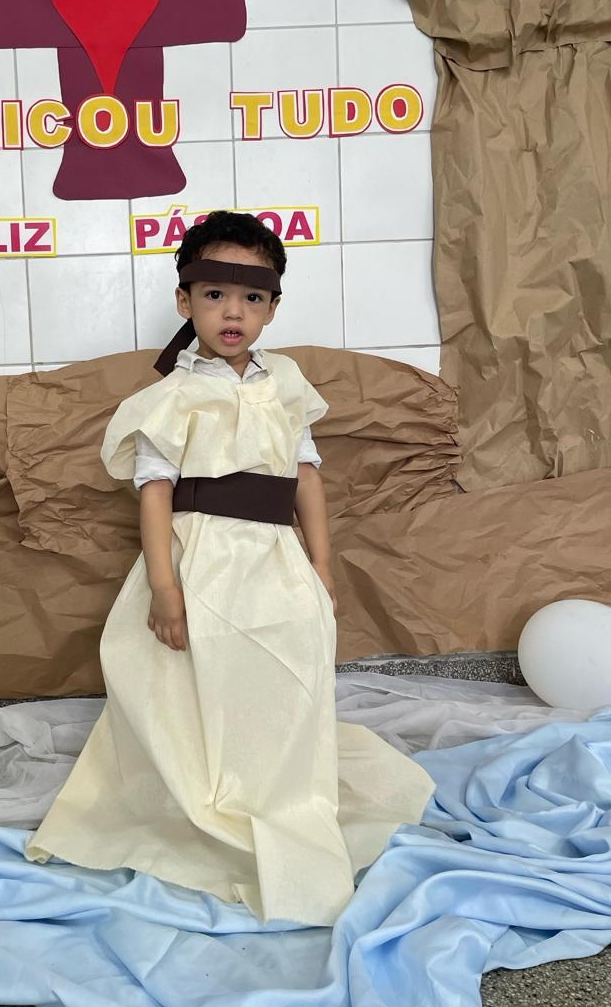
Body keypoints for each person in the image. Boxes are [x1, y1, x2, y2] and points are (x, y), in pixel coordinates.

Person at [26, 211, 435, 925]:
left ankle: (276, 787)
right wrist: (164, 587)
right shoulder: (170, 398)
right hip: (201, 560)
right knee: (191, 684)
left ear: (272, 307)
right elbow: (155, 493)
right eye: (215, 295)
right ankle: (204, 798)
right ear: (185, 301)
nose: (233, 312)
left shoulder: (288, 384)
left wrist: (321, 564)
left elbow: (305, 475)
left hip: (274, 560)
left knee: (281, 676)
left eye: (251, 298)